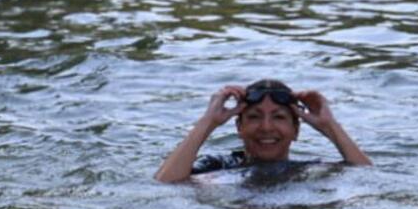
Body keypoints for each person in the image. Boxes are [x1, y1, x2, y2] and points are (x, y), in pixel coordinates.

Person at [155, 79, 372, 182]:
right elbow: (164, 184)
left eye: (278, 117)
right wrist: (208, 122)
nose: (266, 127)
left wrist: (330, 126)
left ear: (296, 130)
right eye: (254, 117)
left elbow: (368, 180)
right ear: (239, 127)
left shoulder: (309, 171)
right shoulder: (216, 166)